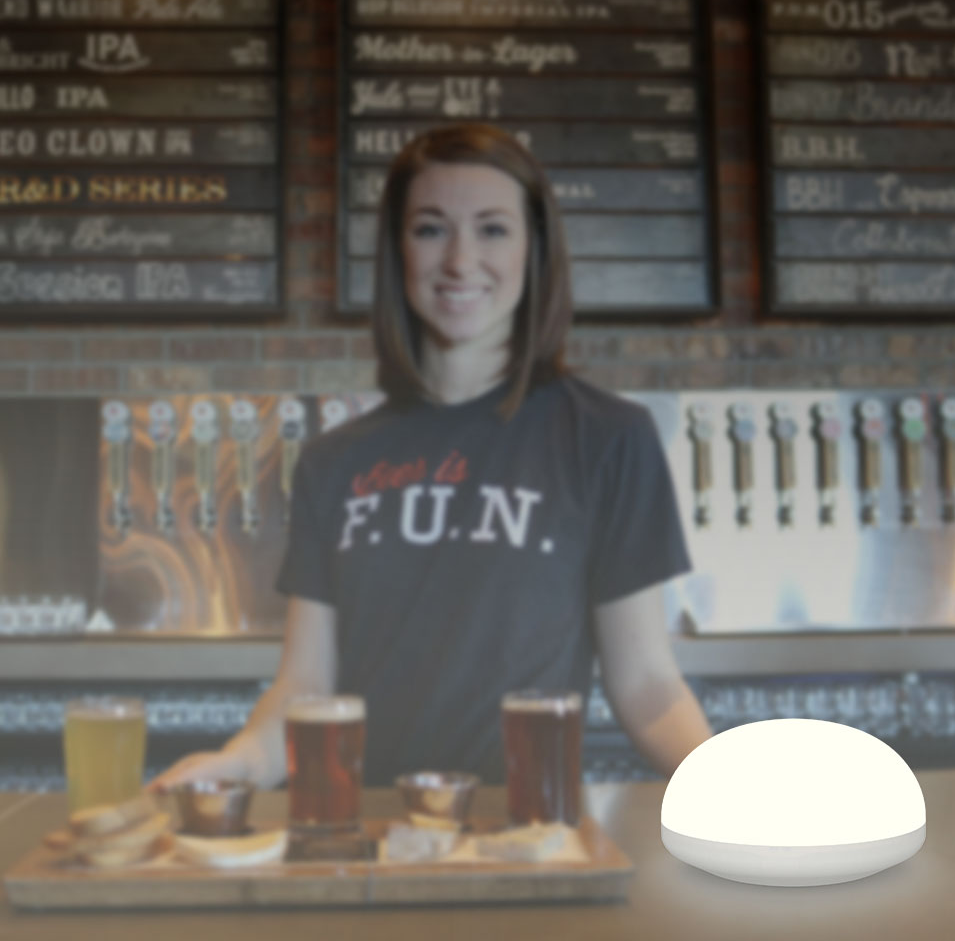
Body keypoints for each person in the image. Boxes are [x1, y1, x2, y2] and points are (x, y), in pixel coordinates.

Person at [150, 122, 712, 791]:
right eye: (430, 229)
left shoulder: (609, 439)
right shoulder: (334, 462)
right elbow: (304, 687)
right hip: (371, 831)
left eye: (493, 229)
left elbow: (648, 686)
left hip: (529, 830)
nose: (460, 260)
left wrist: (732, 787)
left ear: (534, 250)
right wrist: (241, 760)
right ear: (398, 252)